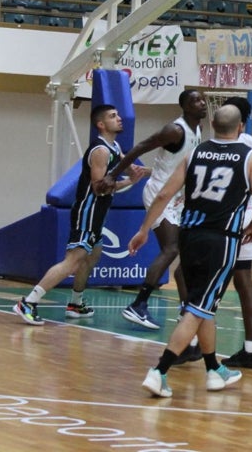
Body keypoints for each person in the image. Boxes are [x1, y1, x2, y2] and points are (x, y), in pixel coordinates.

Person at [133, 104, 252, 398]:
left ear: (211, 124)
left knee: (203, 305)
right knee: (197, 309)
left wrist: (144, 229)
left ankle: (213, 369)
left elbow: (165, 193)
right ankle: (159, 371)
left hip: (189, 236)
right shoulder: (250, 157)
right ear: (241, 127)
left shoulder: (194, 153)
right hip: (221, 241)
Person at [15, 104, 141, 324]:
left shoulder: (114, 146)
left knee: (93, 256)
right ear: (101, 124)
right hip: (88, 210)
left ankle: (75, 303)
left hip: (97, 213)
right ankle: (28, 302)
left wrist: (145, 170)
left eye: (118, 115)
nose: (119, 118)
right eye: (113, 116)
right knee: (73, 261)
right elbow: (98, 187)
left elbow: (127, 164)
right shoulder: (100, 150)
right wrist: (130, 181)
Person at [103, 89, 208, 331]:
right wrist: (113, 174)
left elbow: (177, 167)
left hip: (176, 197)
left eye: (203, 99)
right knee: (171, 249)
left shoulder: (198, 129)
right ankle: (138, 305)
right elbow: (141, 146)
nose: (202, 103)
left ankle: (186, 311)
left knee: (184, 256)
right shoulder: (175, 130)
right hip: (159, 194)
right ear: (184, 107)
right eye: (196, 100)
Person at [219, 95, 252, 369]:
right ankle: (251, 348)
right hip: (239, 218)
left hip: (236, 219)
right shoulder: (244, 143)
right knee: (240, 280)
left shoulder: (245, 143)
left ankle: (190, 344)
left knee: (226, 279)